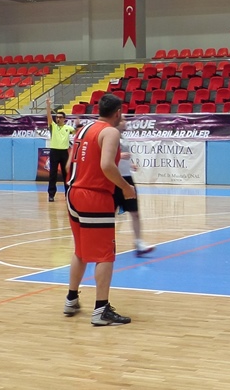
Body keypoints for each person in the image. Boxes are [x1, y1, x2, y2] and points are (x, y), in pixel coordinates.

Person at [63, 93, 134, 325]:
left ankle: (71, 299)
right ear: (118, 112)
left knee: (81, 250)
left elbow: (69, 163)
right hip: (93, 196)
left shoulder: (83, 129)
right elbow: (106, 165)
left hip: (73, 192)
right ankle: (101, 310)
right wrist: (125, 187)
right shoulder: (110, 132)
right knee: (105, 254)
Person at [114, 117, 155, 256]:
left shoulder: (124, 138)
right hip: (114, 179)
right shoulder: (109, 135)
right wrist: (119, 156)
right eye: (122, 120)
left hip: (127, 178)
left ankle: (138, 243)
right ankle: (106, 243)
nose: (125, 122)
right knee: (110, 215)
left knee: (135, 212)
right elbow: (104, 156)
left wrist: (130, 164)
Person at [45, 96, 80, 202]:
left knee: (66, 174)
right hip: (54, 152)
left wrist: (78, 125)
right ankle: (51, 194)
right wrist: (48, 105)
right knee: (53, 174)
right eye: (57, 117)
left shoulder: (68, 128)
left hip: (64, 152)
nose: (58, 119)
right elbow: (49, 117)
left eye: (60, 117)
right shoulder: (53, 126)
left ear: (64, 119)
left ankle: (68, 194)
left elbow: (77, 132)